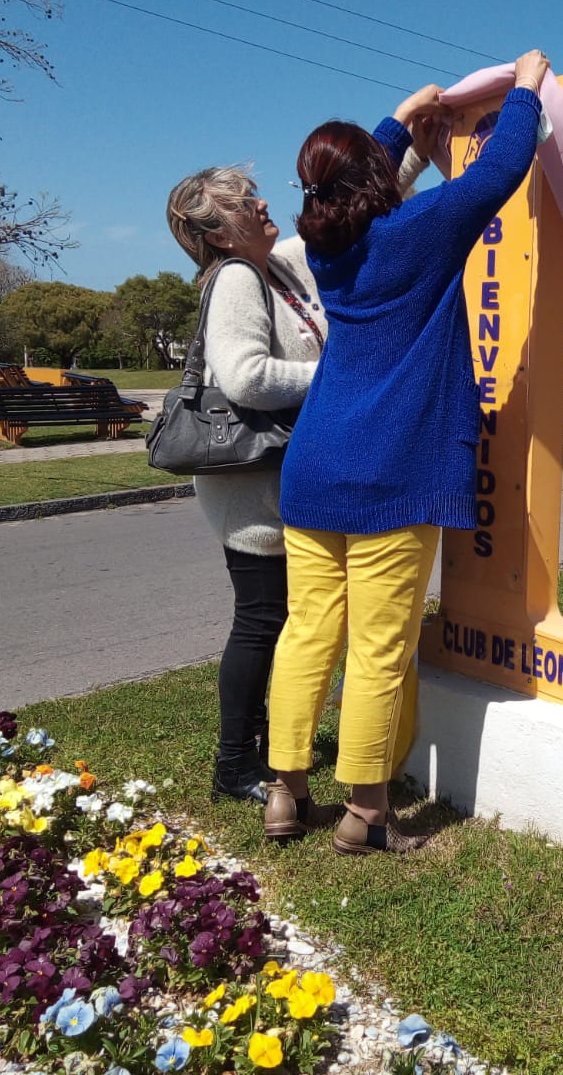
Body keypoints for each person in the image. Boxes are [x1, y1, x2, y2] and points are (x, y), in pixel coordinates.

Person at [264, 49, 552, 855]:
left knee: (306, 632)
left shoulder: (326, 243)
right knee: (379, 648)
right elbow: (499, 171)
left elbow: (354, 179)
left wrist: (396, 118)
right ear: (372, 183)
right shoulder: (419, 230)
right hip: (393, 470)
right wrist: (527, 88)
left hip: (315, 466)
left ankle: (284, 792)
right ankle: (366, 810)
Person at [164, 153, 429, 810]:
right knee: (264, 621)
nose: (260, 204)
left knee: (288, 623)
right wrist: (338, 380)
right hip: (253, 487)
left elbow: (355, 208)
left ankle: (272, 756)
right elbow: (244, 377)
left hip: (289, 473)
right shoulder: (234, 279)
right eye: (242, 202)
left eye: (255, 193)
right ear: (220, 234)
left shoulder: (280, 262)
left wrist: (413, 148)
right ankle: (236, 764)